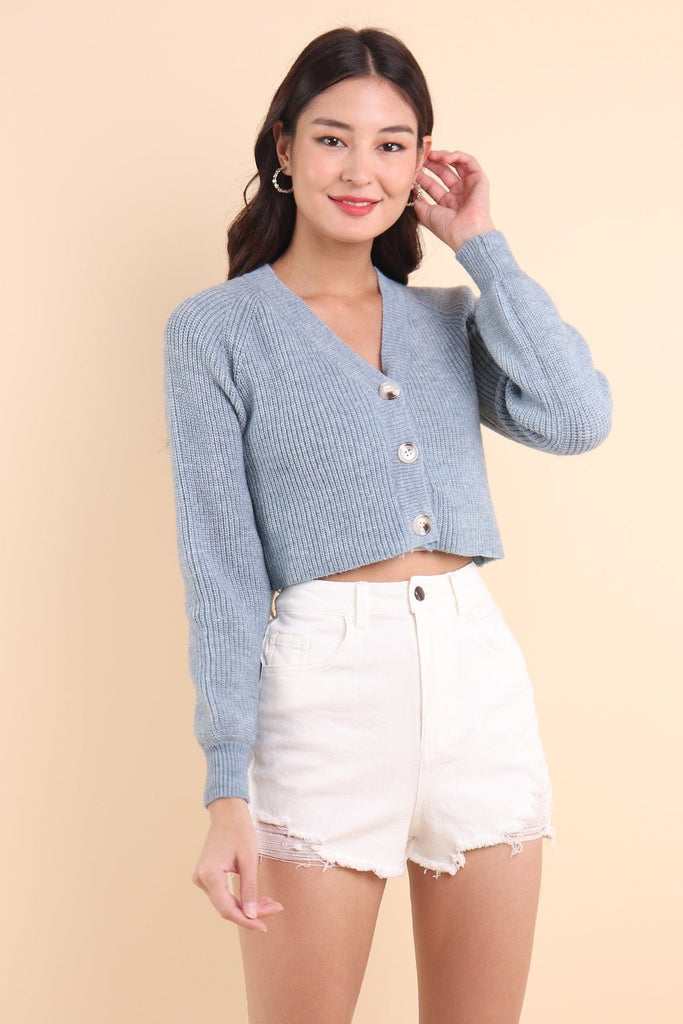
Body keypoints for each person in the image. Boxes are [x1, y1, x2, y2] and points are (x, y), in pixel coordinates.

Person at [163, 25, 612, 1024]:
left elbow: (577, 417)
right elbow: (220, 566)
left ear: (420, 164)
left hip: (475, 681)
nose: (360, 170)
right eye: (332, 139)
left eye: (391, 144)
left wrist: (481, 244)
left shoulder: (447, 320)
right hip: (322, 694)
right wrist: (224, 785)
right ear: (284, 148)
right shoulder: (216, 331)